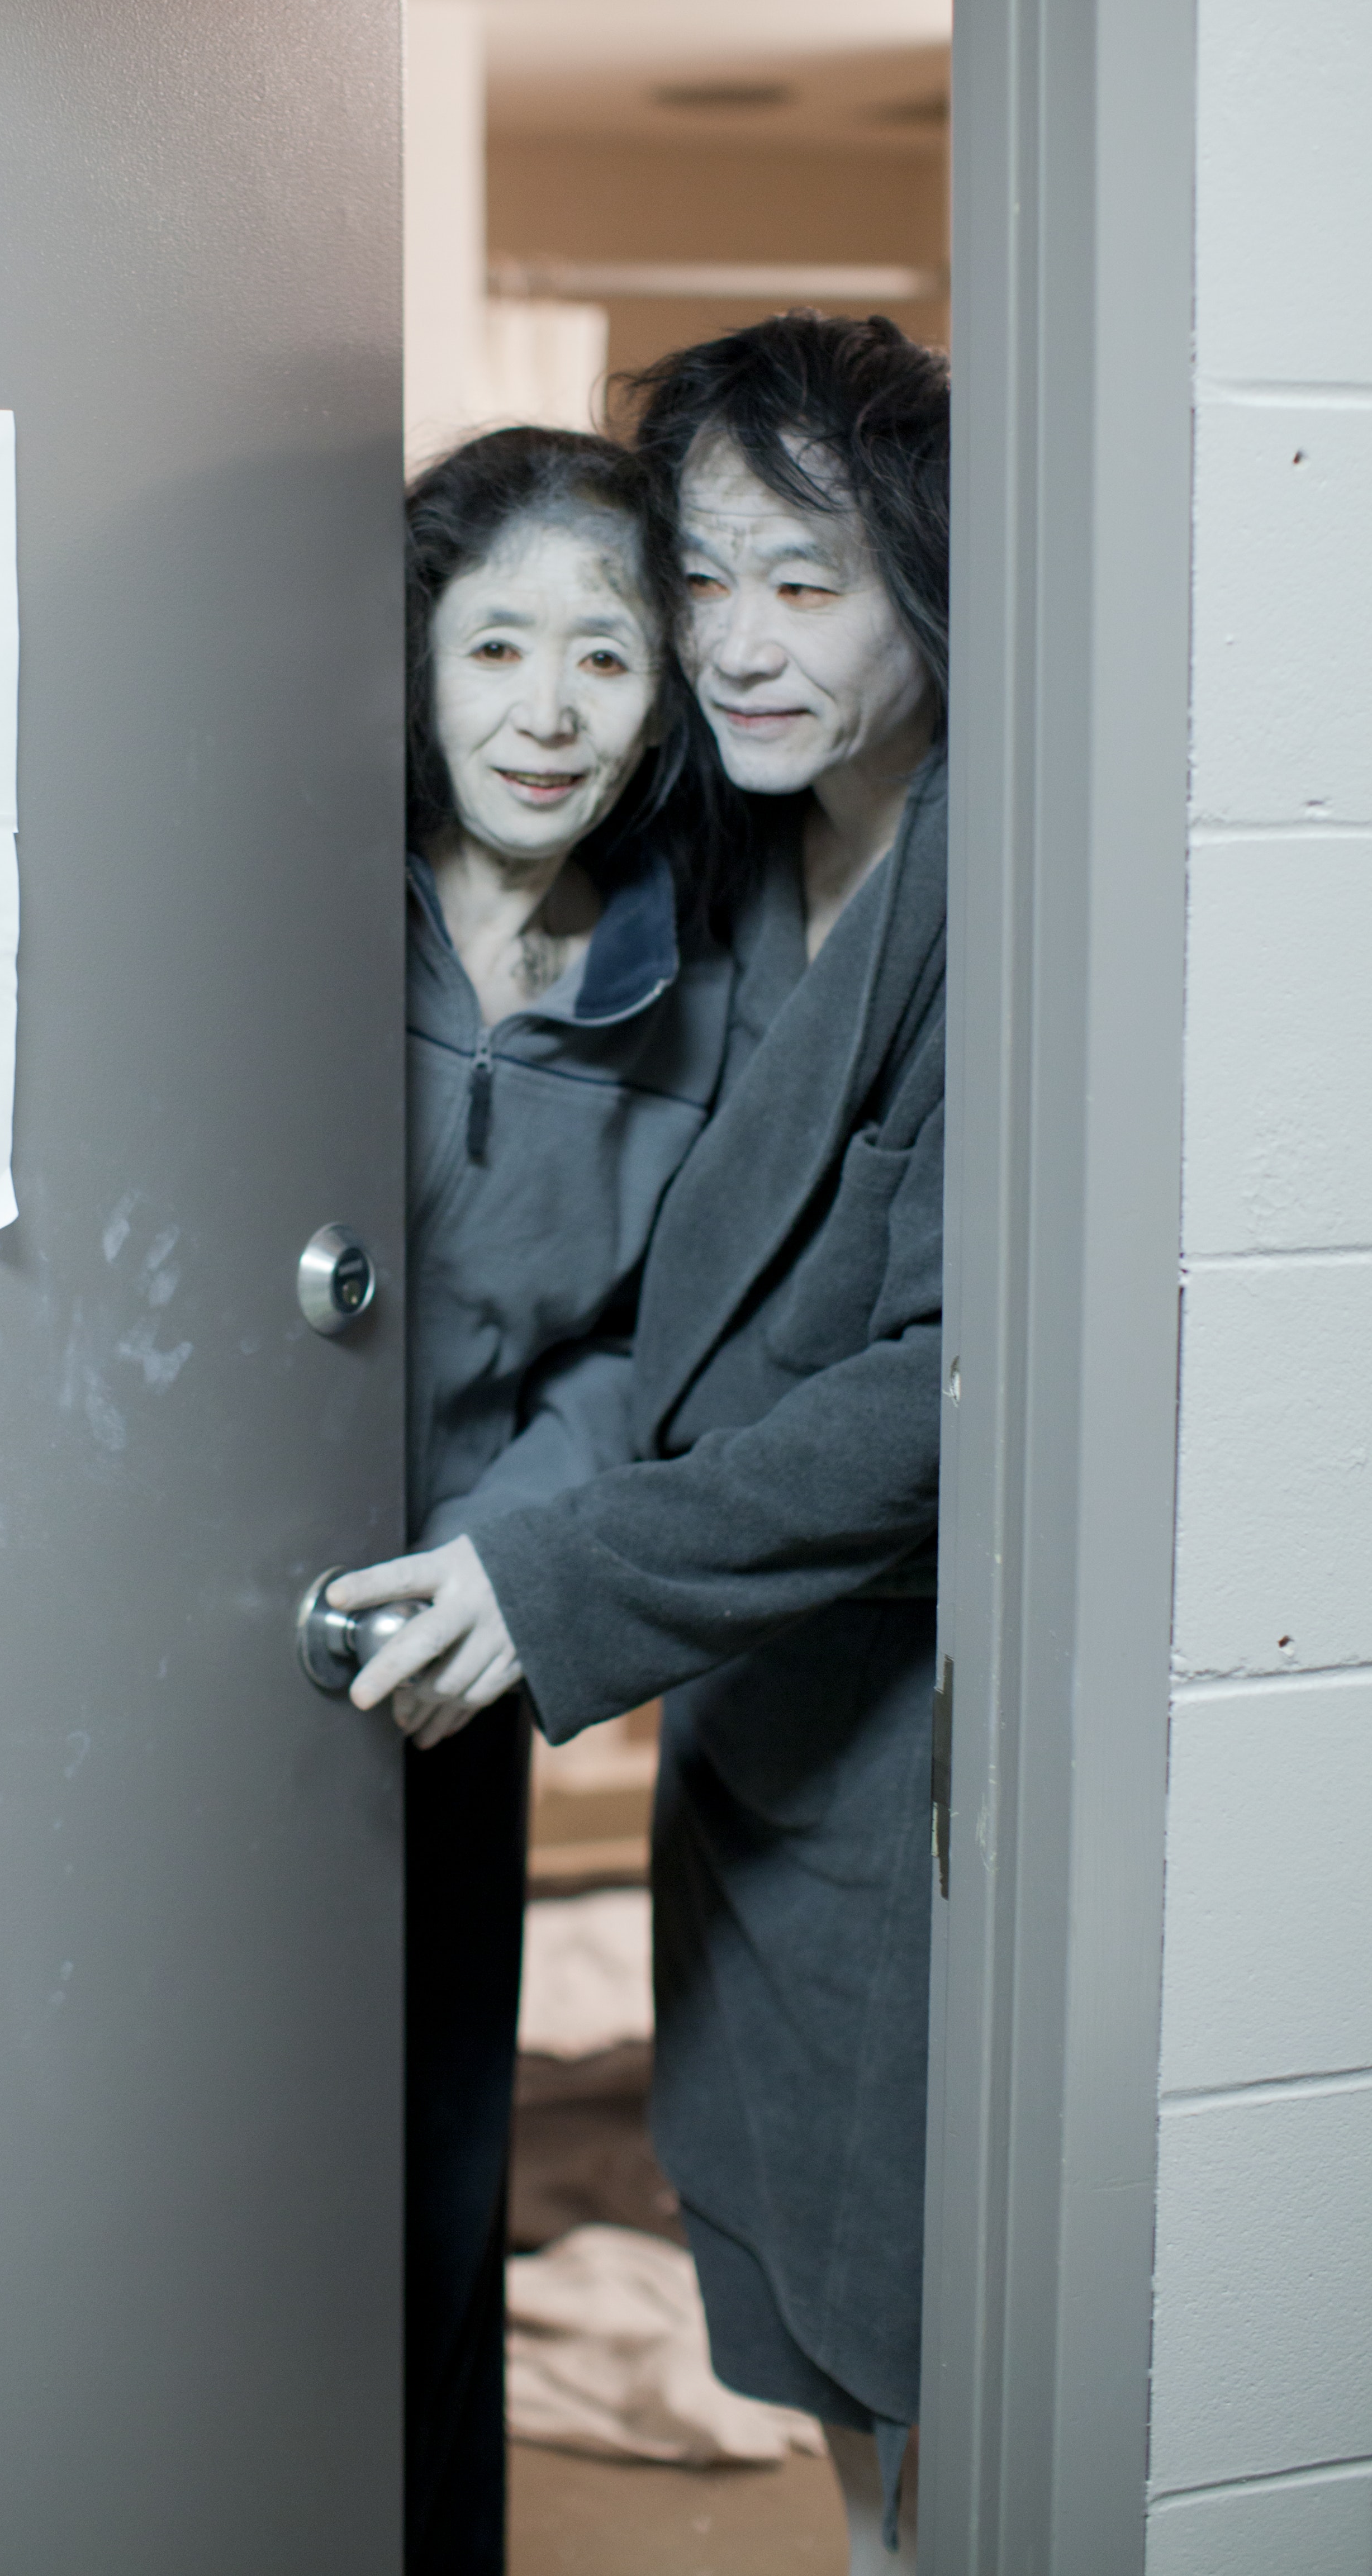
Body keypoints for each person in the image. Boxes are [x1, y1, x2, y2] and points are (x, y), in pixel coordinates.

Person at [339, 317, 950, 2573]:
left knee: (874, 2331)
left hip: (657, 1674)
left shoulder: (802, 934)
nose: (728, 650)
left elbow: (778, 1356)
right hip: (406, 1645)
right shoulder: (335, 919)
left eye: (804, 584)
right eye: (712, 585)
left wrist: (534, 1558)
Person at [396, 423, 737, 2576]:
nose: (546, 710)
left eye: (604, 658)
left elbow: (652, 1343)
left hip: (458, 1648)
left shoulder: (692, 985)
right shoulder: (276, 907)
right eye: (494, 644)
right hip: (198, 1639)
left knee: (431, 2218)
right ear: (413, 664)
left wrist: (514, 1552)